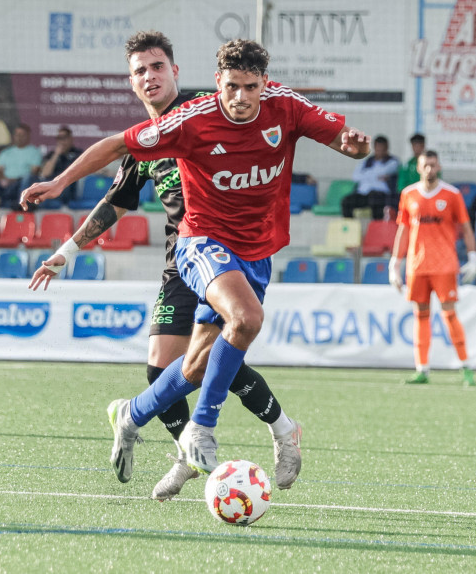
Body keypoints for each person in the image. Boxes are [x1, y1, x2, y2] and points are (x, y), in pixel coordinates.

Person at [21, 38, 370, 479]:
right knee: (242, 321)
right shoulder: (185, 122)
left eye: (250, 87)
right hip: (198, 244)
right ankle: (201, 433)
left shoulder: (280, 104)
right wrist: (59, 186)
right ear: (216, 83)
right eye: (231, 87)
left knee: (199, 363)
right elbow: (116, 159)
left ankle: (132, 416)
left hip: (255, 250)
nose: (241, 98)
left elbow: (345, 141)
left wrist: (354, 146)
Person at [388, 150, 476, 387]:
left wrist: (473, 255)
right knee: (420, 316)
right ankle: (422, 369)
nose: (429, 169)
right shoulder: (408, 194)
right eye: (425, 165)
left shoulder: (452, 195)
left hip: (445, 265)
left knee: (449, 314)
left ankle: (465, 367)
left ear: (439, 167)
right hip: (416, 266)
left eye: (433, 165)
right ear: (418, 168)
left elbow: (466, 227)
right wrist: (395, 264)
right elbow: (403, 230)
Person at [0, 124, 42, 210]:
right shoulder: (6, 152)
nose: (19, 137)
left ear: (28, 136)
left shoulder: (34, 152)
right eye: (17, 135)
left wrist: (13, 180)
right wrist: (3, 179)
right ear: (13, 136)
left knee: (27, 179)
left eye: (22, 135)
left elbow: (34, 172)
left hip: (20, 184)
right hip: (6, 183)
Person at [340, 135, 399, 219]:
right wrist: (376, 175)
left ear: (386, 148)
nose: (380, 149)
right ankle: (350, 227)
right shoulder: (366, 162)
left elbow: (384, 171)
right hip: (363, 194)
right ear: (374, 147)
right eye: (378, 147)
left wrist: (365, 174)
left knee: (375, 200)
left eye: (382, 147)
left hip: (381, 194)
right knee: (347, 201)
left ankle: (377, 227)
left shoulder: (393, 161)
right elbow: (355, 177)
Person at [29, 126, 83, 205]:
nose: (62, 141)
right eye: (59, 138)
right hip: (52, 184)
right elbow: (45, 174)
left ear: (71, 139)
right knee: (33, 180)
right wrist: (56, 154)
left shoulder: (78, 153)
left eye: (64, 138)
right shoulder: (51, 155)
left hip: (69, 185)